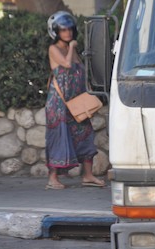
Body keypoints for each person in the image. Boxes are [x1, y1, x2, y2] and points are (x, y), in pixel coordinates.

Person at [44, 11, 105, 189]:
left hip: (77, 101)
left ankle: (88, 175)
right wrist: (71, 47)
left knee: (85, 133)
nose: (68, 33)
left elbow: (81, 69)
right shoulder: (53, 49)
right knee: (59, 136)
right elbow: (67, 64)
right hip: (59, 103)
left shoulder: (73, 49)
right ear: (55, 31)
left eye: (70, 29)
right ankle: (52, 179)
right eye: (63, 30)